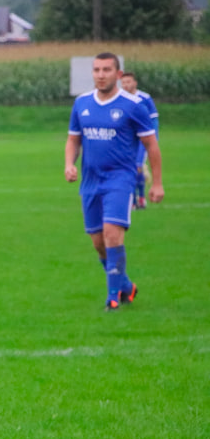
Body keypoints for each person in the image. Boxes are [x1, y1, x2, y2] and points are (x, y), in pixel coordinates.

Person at [64, 53, 164, 311]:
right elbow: (74, 138)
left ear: (118, 75)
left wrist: (157, 183)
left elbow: (151, 144)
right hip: (90, 181)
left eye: (106, 69)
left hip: (120, 179)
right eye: (97, 69)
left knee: (112, 235)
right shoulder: (82, 104)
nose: (100, 74)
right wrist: (69, 164)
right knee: (98, 243)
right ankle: (127, 286)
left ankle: (113, 298)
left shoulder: (133, 105)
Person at [119, 72, 159, 210]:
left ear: (135, 83)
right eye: (123, 82)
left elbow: (154, 120)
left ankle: (140, 198)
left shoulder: (145, 98)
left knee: (138, 166)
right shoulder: (119, 99)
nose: (126, 85)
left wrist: (154, 137)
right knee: (128, 168)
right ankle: (133, 200)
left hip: (142, 141)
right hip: (127, 141)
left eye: (129, 82)